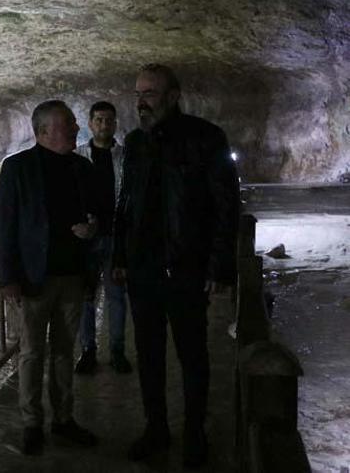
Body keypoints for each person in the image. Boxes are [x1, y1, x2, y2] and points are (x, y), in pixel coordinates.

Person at [112, 64, 239, 468]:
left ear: (173, 95)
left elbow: (225, 206)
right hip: (143, 271)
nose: (141, 102)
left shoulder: (205, 138)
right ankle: (156, 428)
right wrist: (119, 256)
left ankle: (195, 433)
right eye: (137, 94)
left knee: (192, 354)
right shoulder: (135, 142)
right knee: (148, 355)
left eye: (149, 93)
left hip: (186, 268)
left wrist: (220, 268)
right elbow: (126, 203)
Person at [0, 99, 99, 455]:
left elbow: (97, 213)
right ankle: (31, 423)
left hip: (72, 275)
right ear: (43, 131)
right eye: (68, 123)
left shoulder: (82, 168)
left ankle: (63, 419)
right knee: (31, 353)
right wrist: (7, 277)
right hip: (32, 279)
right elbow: (5, 226)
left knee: (64, 352)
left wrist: (93, 229)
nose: (76, 128)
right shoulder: (17, 168)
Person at [74, 101, 132, 375]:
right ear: (90, 123)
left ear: (115, 124)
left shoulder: (124, 157)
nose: (104, 125)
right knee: (86, 296)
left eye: (109, 120)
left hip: (116, 236)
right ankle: (88, 350)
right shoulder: (78, 156)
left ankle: (117, 351)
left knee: (116, 296)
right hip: (87, 239)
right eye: (99, 120)